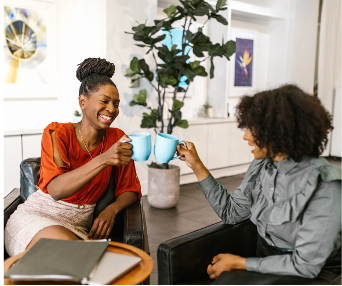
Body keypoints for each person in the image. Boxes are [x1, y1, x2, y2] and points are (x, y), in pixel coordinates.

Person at [177, 84, 341, 279]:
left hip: (311, 272)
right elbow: (231, 212)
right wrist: (196, 166)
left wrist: (239, 263)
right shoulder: (262, 164)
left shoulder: (325, 184)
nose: (246, 136)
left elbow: (305, 266)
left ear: (279, 130)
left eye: (253, 128)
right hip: (267, 258)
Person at [5, 58, 142, 257]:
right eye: (104, 101)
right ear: (83, 101)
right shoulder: (57, 133)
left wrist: (111, 210)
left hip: (78, 225)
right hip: (37, 216)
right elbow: (56, 189)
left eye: (116, 104)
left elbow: (130, 188)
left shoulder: (117, 138)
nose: (112, 110)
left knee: (73, 265)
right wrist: (104, 159)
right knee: (66, 257)